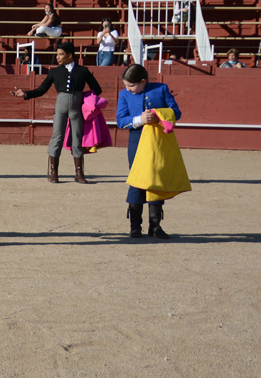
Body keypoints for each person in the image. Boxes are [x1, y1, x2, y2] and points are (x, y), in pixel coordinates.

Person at [11, 40, 102, 184]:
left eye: (61, 54)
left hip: (77, 108)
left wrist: (85, 100)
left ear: (70, 55)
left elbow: (97, 89)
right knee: (57, 136)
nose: (58, 57)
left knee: (77, 138)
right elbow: (42, 90)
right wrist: (26, 94)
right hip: (61, 106)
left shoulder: (83, 71)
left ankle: (79, 174)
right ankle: (54, 173)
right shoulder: (54, 71)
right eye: (57, 54)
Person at [116, 64, 182, 238]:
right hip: (136, 140)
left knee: (156, 179)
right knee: (138, 179)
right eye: (126, 86)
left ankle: (155, 226)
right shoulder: (123, 95)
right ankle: (135, 226)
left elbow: (176, 112)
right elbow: (121, 121)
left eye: (131, 86)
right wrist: (140, 119)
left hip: (157, 140)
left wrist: (158, 114)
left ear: (143, 81)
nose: (128, 89)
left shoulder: (161, 89)